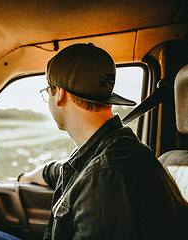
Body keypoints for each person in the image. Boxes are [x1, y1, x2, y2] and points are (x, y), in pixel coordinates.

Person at [19, 43, 188, 240]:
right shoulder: (111, 148)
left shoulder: (108, 177)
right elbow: (71, 171)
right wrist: (29, 176)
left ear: (60, 94)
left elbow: (95, 175)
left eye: (48, 90)